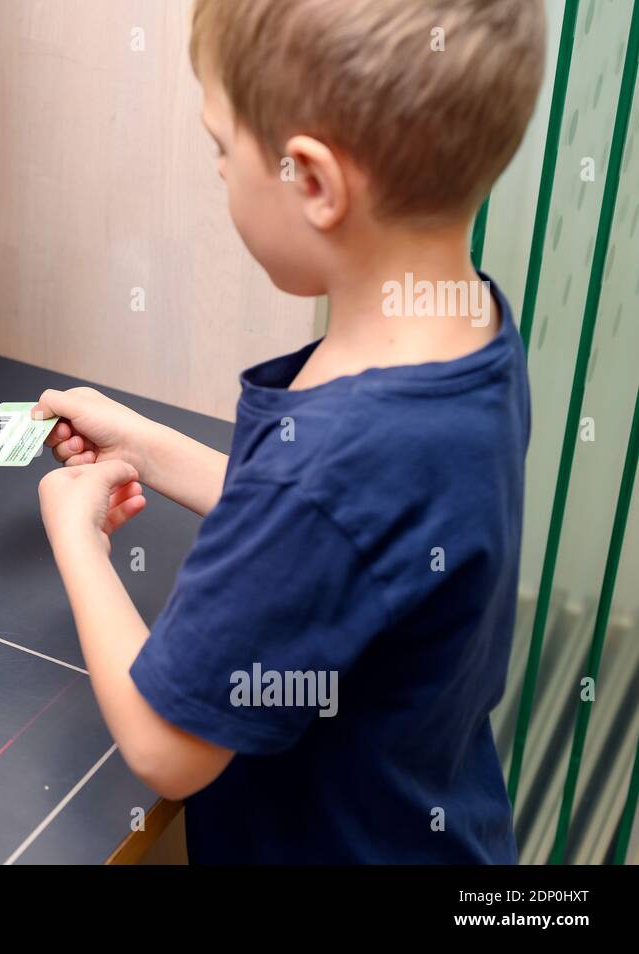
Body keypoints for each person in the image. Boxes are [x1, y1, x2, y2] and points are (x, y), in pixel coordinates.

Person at [33, 0, 545, 863]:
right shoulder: (470, 332)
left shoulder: (331, 471)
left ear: (312, 181)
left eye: (221, 149)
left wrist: (75, 536)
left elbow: (165, 747)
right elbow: (358, 544)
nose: (221, 171)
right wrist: (146, 449)